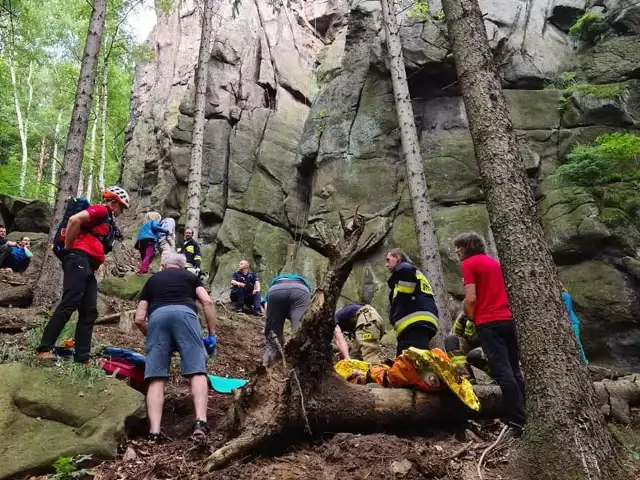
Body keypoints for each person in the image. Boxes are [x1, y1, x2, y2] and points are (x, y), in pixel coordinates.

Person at [36, 186, 130, 364]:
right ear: (113, 202)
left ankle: (82, 358)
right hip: (78, 258)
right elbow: (74, 220)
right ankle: (44, 349)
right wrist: (70, 250)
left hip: (88, 265)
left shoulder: (109, 221)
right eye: (121, 207)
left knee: (89, 311)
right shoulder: (102, 210)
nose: (121, 212)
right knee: (70, 301)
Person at [134, 252, 218, 442]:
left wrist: (153, 337)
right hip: (185, 316)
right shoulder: (190, 277)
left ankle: (154, 432)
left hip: (156, 319)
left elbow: (139, 318)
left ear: (164, 265)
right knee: (197, 371)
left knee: (156, 377)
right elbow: (207, 301)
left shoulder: (153, 280)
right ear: (182, 266)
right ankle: (200, 422)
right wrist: (212, 334)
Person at [454, 232, 525, 435]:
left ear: (467, 247)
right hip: (508, 320)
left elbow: (471, 298)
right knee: (515, 370)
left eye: (459, 246)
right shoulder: (495, 264)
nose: (456, 251)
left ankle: (517, 423)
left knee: (503, 373)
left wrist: (472, 317)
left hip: (489, 322)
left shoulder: (469, 264)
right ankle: (526, 413)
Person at [385, 249, 439, 356]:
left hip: (415, 323)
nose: (386, 265)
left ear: (397, 258)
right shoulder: (410, 276)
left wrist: (400, 304)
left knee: (411, 363)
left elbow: (404, 296)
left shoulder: (404, 268)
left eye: (388, 260)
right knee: (408, 361)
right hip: (416, 324)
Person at [262, 273, 312, 365]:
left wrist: (270, 322)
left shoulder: (275, 282)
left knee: (273, 336)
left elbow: (266, 304)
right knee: (299, 332)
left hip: (276, 290)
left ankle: (267, 366)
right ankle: (300, 365)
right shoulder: (305, 283)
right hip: (300, 291)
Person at [443, 306, 488, 382]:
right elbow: (455, 334)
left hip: (487, 350)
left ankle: (487, 376)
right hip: (470, 347)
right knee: (451, 341)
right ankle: (463, 374)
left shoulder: (488, 316)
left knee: (475, 355)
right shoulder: (464, 316)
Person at [560, 282, 588, 365]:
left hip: (572, 322)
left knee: (576, 342)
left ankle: (584, 362)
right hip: (566, 322)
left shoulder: (565, 295)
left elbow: (567, 310)